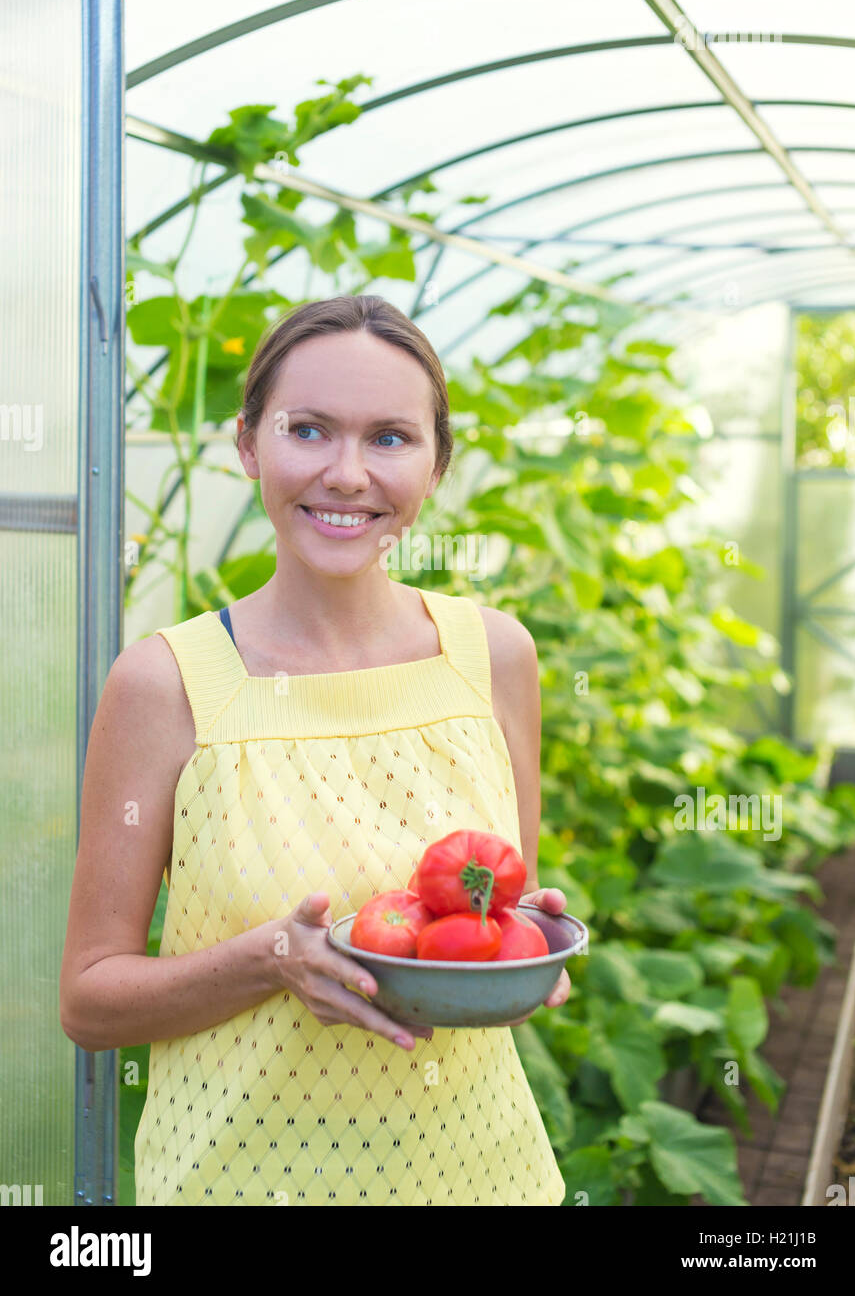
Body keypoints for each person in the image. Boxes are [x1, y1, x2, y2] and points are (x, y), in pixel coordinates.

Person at [60, 293, 571, 1206]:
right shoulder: (166, 683)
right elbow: (90, 1002)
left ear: (435, 464)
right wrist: (270, 962)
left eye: (389, 439)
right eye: (309, 431)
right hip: (242, 1184)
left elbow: (502, 907)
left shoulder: (493, 655)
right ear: (249, 444)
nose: (346, 474)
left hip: (482, 1174)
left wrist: (526, 950)